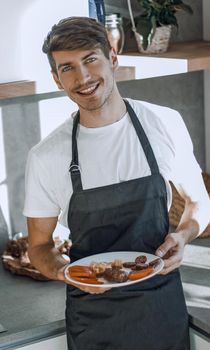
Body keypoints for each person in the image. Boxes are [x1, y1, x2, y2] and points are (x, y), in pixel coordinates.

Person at [23, 16, 210, 350]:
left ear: (112, 58)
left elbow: (199, 202)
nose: (82, 77)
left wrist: (182, 236)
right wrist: (67, 271)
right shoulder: (46, 157)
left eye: (90, 60)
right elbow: (38, 247)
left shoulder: (164, 123)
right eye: (67, 68)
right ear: (56, 78)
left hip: (163, 311)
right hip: (92, 322)